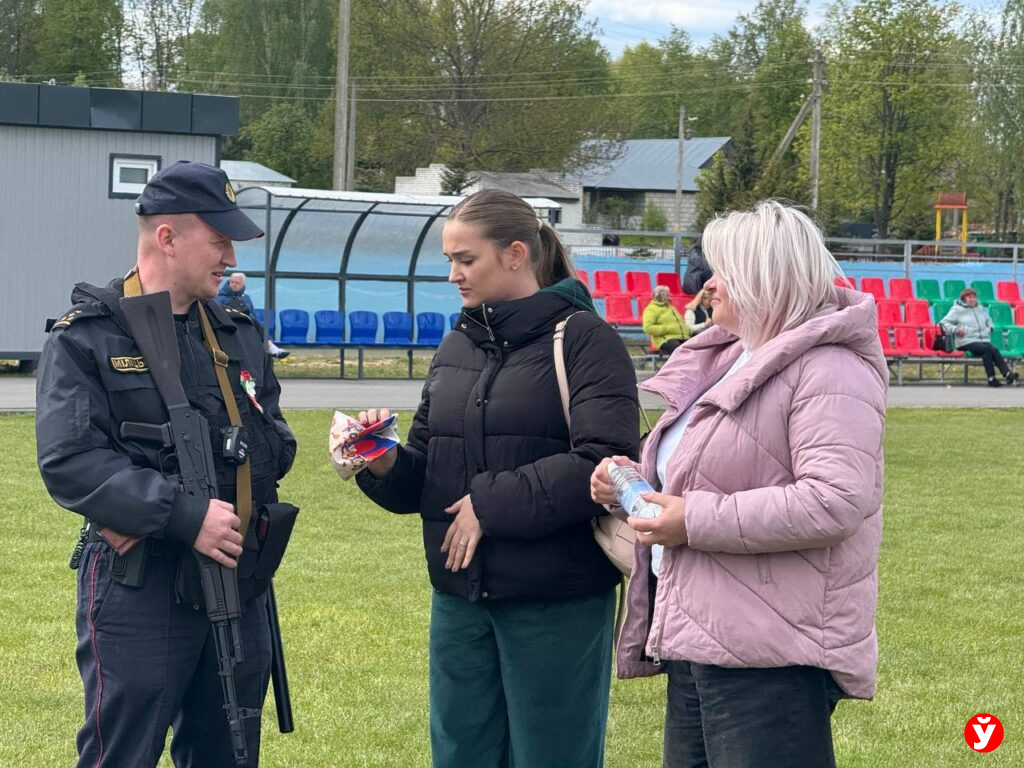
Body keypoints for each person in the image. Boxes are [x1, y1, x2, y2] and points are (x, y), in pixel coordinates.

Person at [591, 200, 887, 768]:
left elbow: (834, 501)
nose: (706, 285)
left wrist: (690, 520)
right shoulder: (731, 357)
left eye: (721, 270)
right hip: (702, 632)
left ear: (763, 277)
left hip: (771, 647)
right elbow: (704, 479)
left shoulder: (829, 369)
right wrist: (630, 489)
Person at [354, 189, 640, 767]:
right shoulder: (456, 344)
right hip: (459, 598)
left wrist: (488, 504)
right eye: (449, 260)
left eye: (466, 259)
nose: (453, 275)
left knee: (552, 757)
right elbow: (428, 472)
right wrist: (381, 461)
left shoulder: (586, 339)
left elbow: (605, 461)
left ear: (515, 254)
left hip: (554, 601)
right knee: (460, 753)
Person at [35, 160, 298, 768]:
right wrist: (182, 513)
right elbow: (70, 460)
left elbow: (275, 441)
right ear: (168, 237)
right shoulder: (88, 337)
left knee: (228, 750)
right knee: (123, 752)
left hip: (236, 575)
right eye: (220, 239)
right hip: (142, 581)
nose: (231, 257)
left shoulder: (238, 334)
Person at [940, 287, 1017, 387]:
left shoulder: (979, 308)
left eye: (973, 297)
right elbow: (944, 323)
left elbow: (989, 320)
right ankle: (991, 378)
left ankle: (1008, 374)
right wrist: (957, 330)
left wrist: (990, 328)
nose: (972, 299)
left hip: (981, 340)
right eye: (969, 297)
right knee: (986, 350)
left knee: (994, 349)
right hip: (965, 341)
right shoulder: (957, 310)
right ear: (964, 299)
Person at [216, 271, 290, 360]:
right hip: (230, 324)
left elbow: (252, 313)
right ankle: (269, 346)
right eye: (232, 282)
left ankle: (268, 347)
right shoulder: (220, 297)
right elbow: (218, 313)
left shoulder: (246, 298)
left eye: (237, 283)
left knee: (255, 323)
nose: (234, 285)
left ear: (242, 284)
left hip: (247, 324)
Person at [643, 284, 690, 354]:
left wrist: (689, 331)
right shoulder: (651, 309)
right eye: (667, 295)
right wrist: (667, 329)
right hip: (666, 339)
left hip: (683, 337)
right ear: (660, 296)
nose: (670, 298)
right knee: (679, 350)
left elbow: (680, 324)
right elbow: (648, 328)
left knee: (695, 347)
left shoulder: (671, 308)